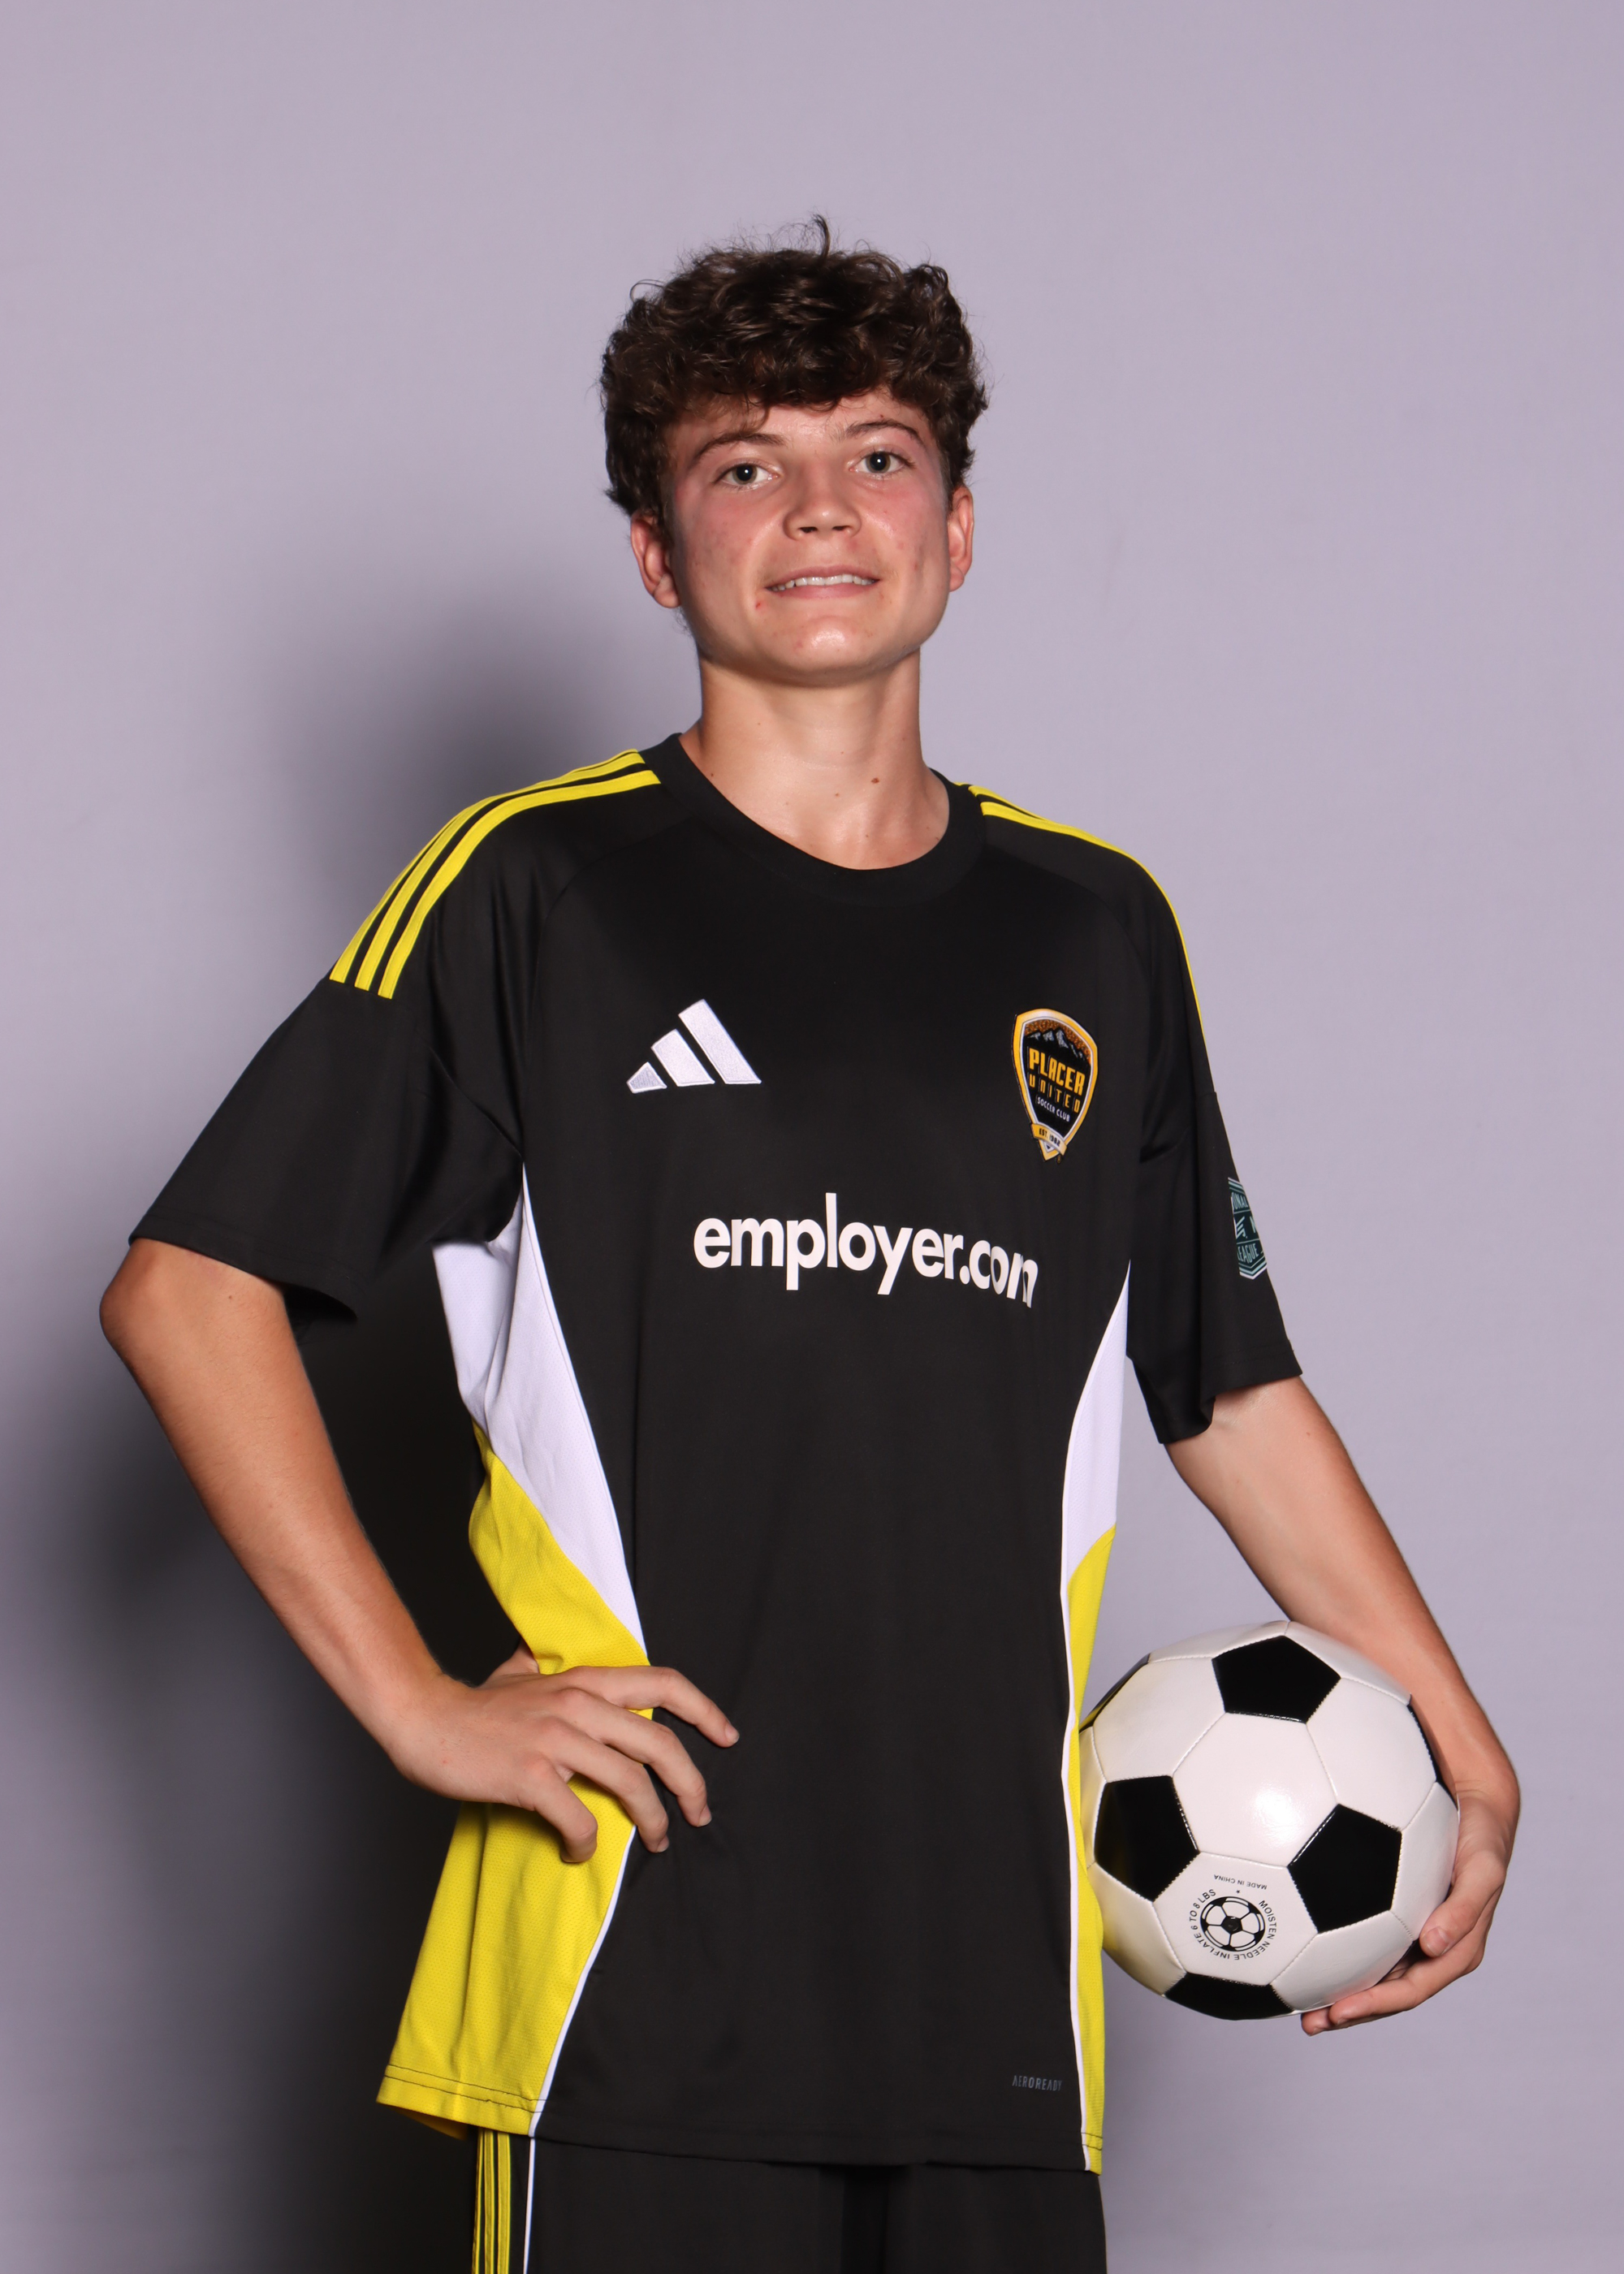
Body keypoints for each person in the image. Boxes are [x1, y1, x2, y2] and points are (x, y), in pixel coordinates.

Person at [102, 223, 1518, 2274]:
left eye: (877, 454)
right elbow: (189, 1290)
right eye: (744, 464)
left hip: (995, 1999)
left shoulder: (1092, 926)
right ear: (655, 554)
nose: (822, 508)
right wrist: (416, 1699)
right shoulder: (536, 887)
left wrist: (1448, 1725)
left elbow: (1223, 1380)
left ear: (958, 525)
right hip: (625, 1979)